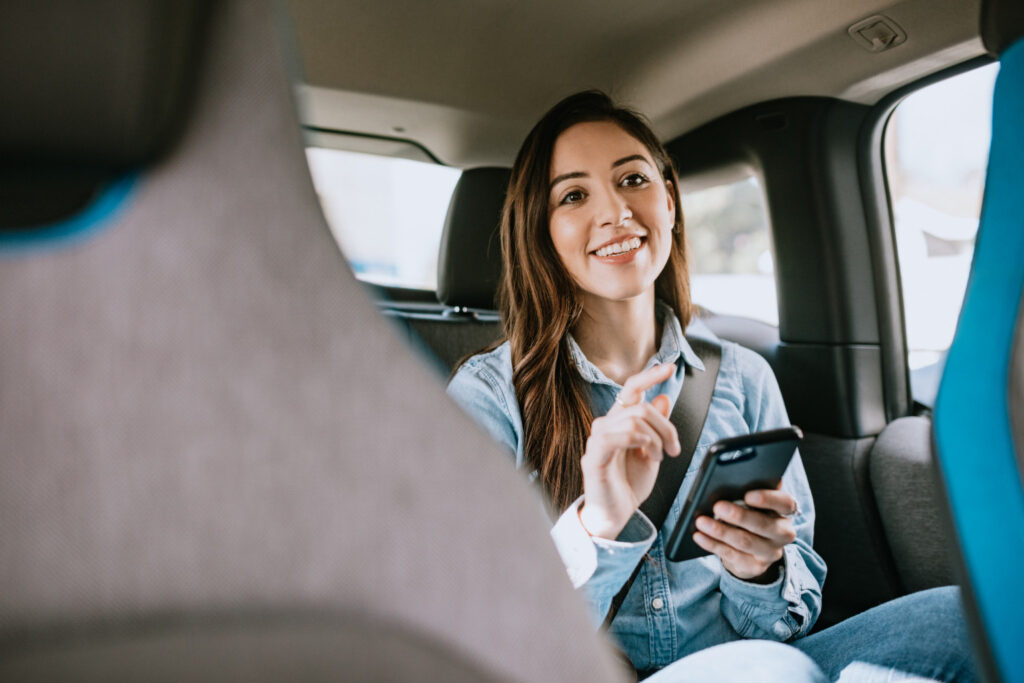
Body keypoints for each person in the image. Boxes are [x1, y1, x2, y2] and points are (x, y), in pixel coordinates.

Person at [447, 90, 975, 682]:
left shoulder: (744, 378)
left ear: (668, 201)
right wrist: (596, 524)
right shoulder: (489, 400)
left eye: (633, 180)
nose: (617, 211)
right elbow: (472, 624)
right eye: (574, 195)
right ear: (542, 233)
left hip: (743, 665)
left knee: (963, 620)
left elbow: (790, 614)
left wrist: (762, 571)